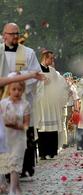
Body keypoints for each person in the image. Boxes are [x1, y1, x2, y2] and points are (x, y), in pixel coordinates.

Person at [2, 22, 42, 177]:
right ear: (4, 35)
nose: (15, 36)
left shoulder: (28, 53)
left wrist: (20, 82)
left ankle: (25, 167)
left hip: (23, 99)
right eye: (11, 33)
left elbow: (36, 74)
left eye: (17, 33)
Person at [0, 76, 30, 195]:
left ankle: (12, 189)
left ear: (22, 91)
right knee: (4, 163)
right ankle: (13, 186)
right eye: (14, 89)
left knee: (15, 163)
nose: (16, 92)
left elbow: (27, 125)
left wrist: (18, 125)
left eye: (19, 89)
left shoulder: (25, 105)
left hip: (19, 138)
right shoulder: (3, 103)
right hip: (6, 138)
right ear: (9, 90)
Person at [33, 50, 67, 160]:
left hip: (52, 103)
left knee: (53, 128)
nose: (52, 61)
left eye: (53, 59)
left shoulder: (53, 71)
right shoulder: (36, 70)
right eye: (51, 58)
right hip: (42, 102)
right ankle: (43, 153)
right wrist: (42, 82)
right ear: (44, 58)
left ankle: (52, 151)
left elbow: (59, 86)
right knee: (43, 128)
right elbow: (32, 85)